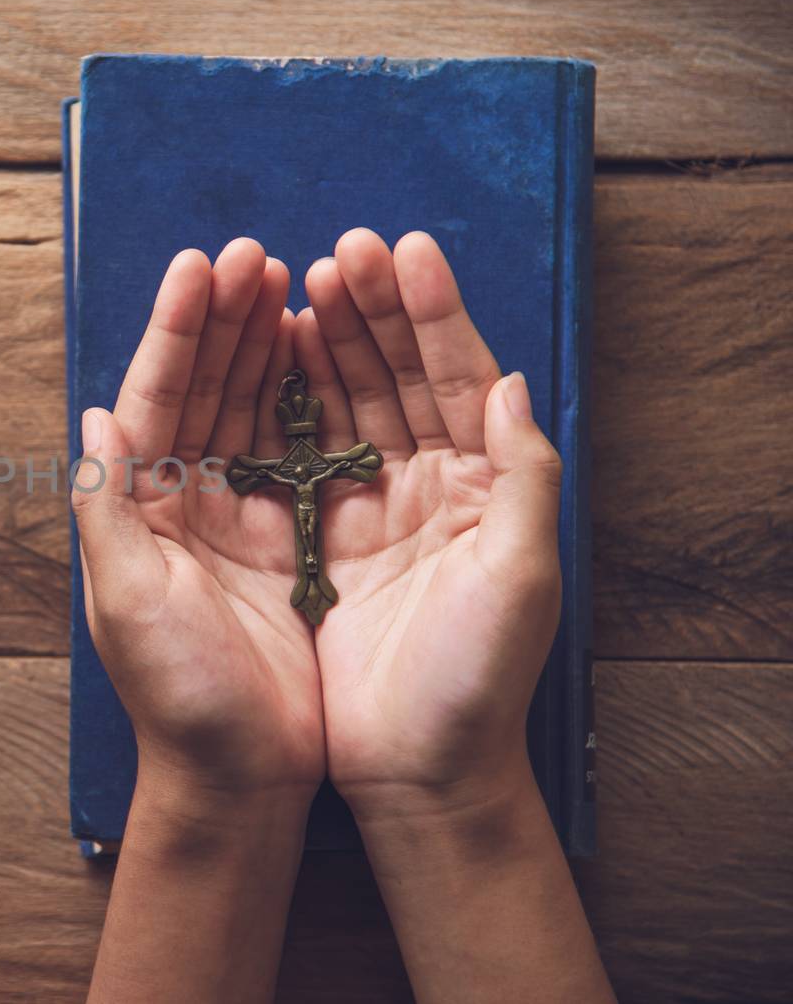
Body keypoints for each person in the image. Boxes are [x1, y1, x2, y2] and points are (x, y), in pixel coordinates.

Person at [72, 229, 616, 1003]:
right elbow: (301, 468)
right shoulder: (296, 465)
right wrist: (217, 787)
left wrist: (445, 778)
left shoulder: (321, 464)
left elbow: (330, 466)